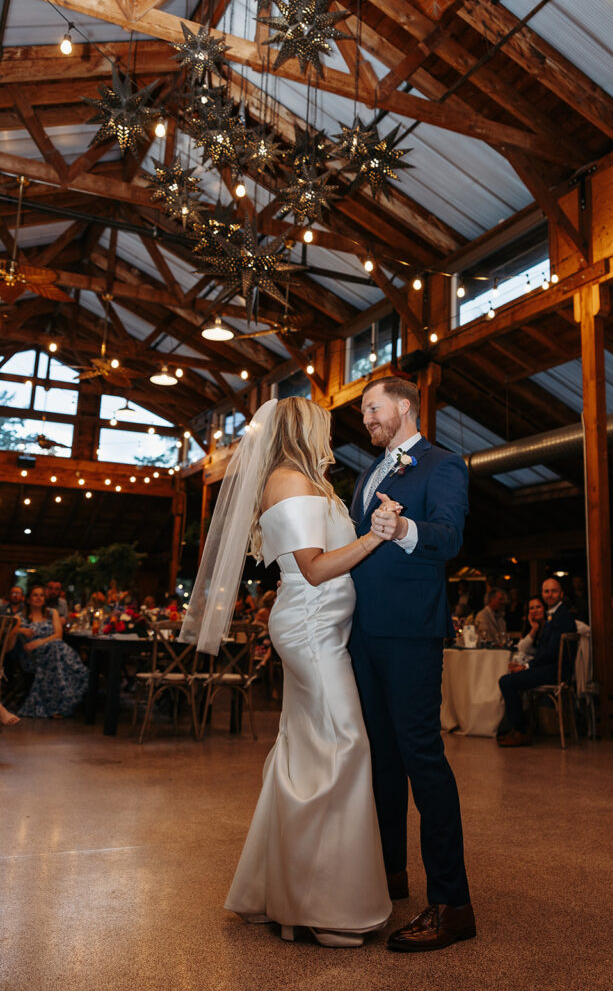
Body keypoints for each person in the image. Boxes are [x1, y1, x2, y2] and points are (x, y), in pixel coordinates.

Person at [181, 397, 393, 948]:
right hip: (312, 630)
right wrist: (375, 535)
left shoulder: (305, 481)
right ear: (304, 430)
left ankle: (292, 899)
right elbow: (315, 569)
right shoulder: (292, 481)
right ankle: (326, 908)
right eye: (323, 425)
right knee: (344, 743)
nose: (330, 433)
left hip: (321, 627)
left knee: (306, 750)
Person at [348, 376, 474, 953]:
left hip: (411, 635)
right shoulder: (366, 473)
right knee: (380, 757)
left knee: (423, 759)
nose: (366, 418)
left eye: (373, 407)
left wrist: (402, 528)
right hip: (363, 634)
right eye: (364, 411)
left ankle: (452, 904)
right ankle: (390, 874)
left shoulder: (444, 465)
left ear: (402, 406)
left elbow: (447, 537)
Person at [497, 576, 577, 747]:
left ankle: (521, 730)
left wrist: (527, 666)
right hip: (550, 667)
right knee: (511, 677)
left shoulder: (562, 617)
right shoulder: (553, 616)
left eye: (554, 591)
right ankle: (519, 728)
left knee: (507, 681)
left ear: (561, 594)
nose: (550, 595)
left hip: (556, 670)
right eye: (546, 591)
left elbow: (552, 652)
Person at [10, 586, 88, 719]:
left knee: (55, 647)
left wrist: (39, 642)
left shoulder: (52, 613)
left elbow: (58, 635)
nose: (39, 598)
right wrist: (20, 630)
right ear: (28, 599)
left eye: (41, 595)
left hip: (54, 652)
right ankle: (56, 707)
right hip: (32, 657)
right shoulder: (19, 617)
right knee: (56, 650)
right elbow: (9, 636)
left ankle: (58, 704)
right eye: (35, 595)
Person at [511, 596, 545, 665]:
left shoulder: (549, 626)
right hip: (528, 664)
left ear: (544, 608)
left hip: (539, 665)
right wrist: (534, 629)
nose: (535, 611)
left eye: (538, 607)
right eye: (532, 608)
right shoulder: (529, 627)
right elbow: (521, 648)